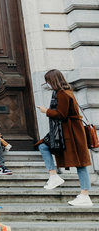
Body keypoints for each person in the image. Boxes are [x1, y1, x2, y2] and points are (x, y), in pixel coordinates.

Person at [36, 69, 93, 207]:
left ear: (53, 81)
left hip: (71, 133)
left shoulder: (62, 93)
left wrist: (46, 111)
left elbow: (61, 114)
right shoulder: (64, 92)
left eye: (48, 81)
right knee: (43, 146)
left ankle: (85, 195)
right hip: (66, 131)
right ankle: (54, 176)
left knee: (81, 163)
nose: (47, 84)